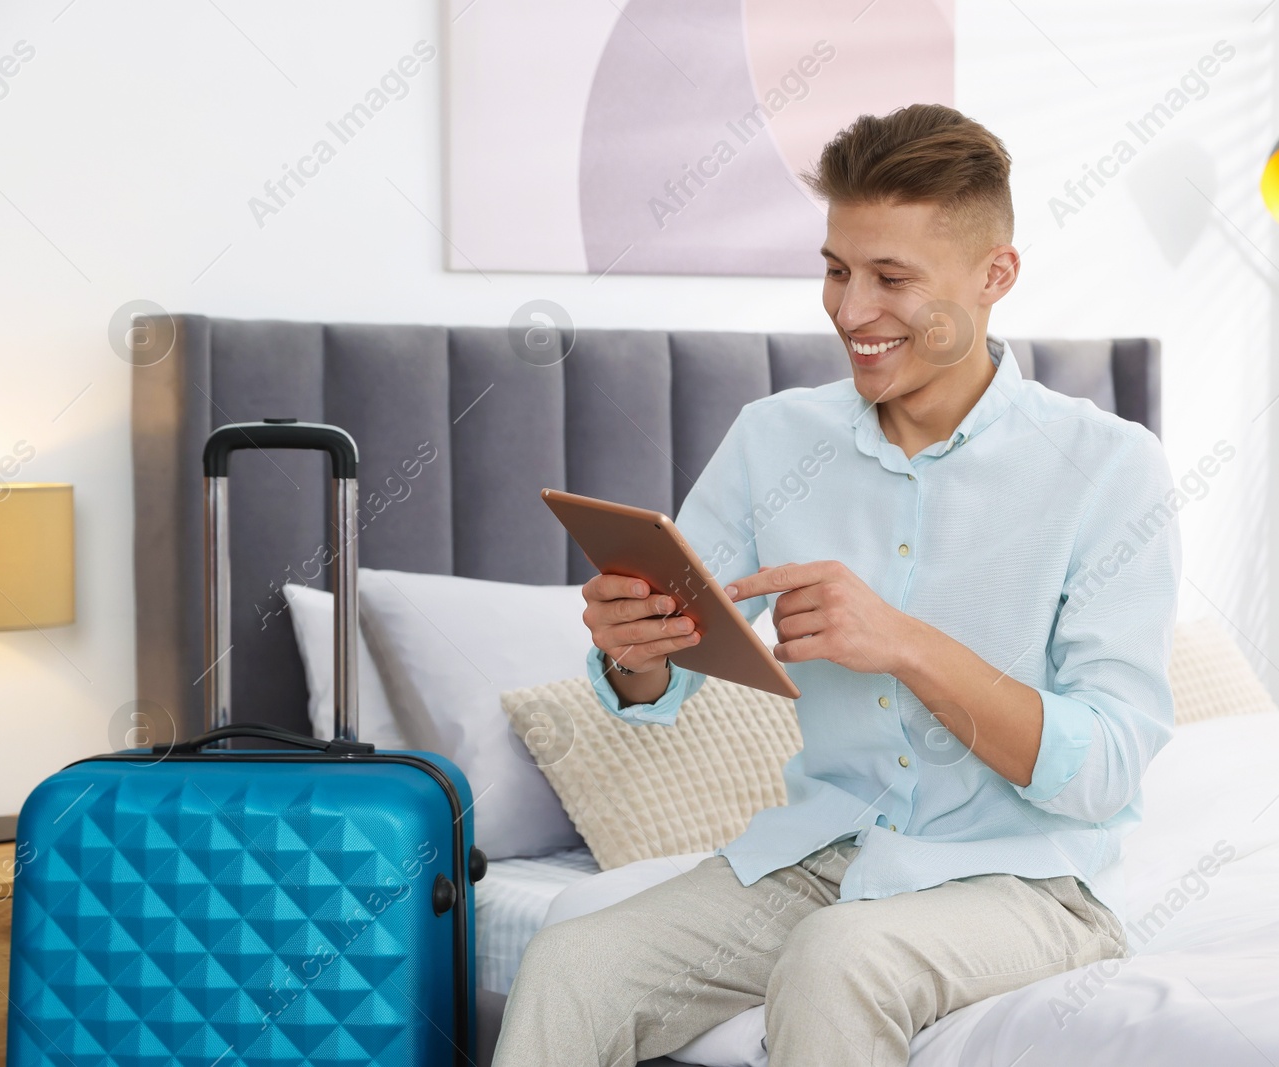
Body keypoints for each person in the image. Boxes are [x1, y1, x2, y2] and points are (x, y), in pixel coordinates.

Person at [493, 102, 1181, 1067]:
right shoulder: (774, 438)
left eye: (891, 278)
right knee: (571, 958)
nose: (850, 311)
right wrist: (633, 649)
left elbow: (1106, 763)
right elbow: (664, 679)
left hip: (1026, 884)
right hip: (819, 856)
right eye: (835, 269)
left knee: (837, 958)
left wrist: (903, 642)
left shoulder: (1109, 467)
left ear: (997, 276)